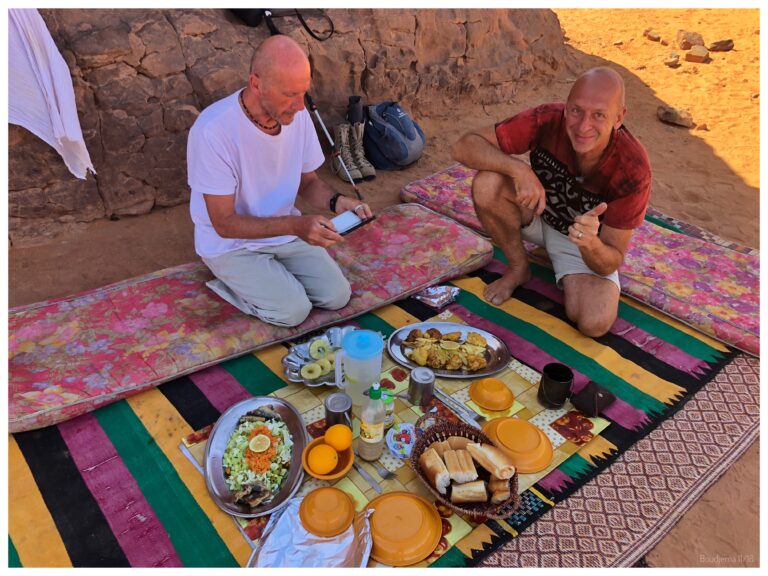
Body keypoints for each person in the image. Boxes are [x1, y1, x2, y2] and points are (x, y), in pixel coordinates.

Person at [451, 67, 651, 337]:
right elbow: (464, 146)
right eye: (576, 110)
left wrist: (591, 243)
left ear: (619, 118)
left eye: (599, 115)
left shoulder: (632, 169)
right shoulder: (546, 119)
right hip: (538, 213)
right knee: (488, 183)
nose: (583, 126)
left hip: (582, 242)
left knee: (594, 322)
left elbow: (610, 260)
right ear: (566, 107)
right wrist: (518, 170)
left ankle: (556, 258)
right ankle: (519, 267)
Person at [187, 35, 372, 327]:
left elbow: (308, 182)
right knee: (292, 311)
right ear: (256, 84)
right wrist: (294, 225)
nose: (300, 106)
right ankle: (227, 284)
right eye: (289, 94)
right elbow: (223, 223)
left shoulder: (296, 115)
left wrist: (339, 202)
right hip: (231, 244)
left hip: (285, 233)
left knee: (337, 295)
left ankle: (269, 280)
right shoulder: (213, 131)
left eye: (303, 93)